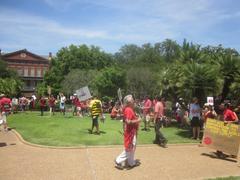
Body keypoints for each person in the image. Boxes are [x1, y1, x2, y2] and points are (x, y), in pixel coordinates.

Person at [115, 95, 141, 170]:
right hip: (131, 133)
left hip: (132, 132)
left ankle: (131, 162)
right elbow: (128, 121)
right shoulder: (128, 109)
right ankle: (118, 160)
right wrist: (138, 120)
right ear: (129, 102)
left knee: (132, 148)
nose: (134, 101)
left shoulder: (128, 109)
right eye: (132, 100)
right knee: (130, 148)